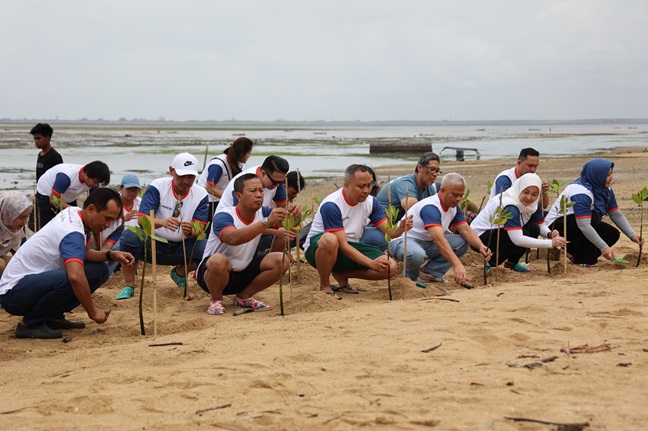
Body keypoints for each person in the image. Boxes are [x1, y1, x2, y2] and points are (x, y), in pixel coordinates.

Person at [0, 188, 135, 339]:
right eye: (107, 218)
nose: (107, 225)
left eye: (112, 220)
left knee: (99, 270)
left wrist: (110, 255)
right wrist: (93, 312)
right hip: (13, 294)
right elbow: (75, 276)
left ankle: (53, 317)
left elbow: (81, 253)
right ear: (90, 209)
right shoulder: (72, 232)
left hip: (31, 283)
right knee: (71, 276)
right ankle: (30, 324)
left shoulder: (75, 213)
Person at [304, 164, 412, 299]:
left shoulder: (371, 202)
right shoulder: (332, 204)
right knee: (330, 240)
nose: (366, 190)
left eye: (370, 185)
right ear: (346, 186)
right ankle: (325, 284)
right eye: (361, 186)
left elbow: (389, 233)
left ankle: (343, 274)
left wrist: (401, 228)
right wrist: (371, 263)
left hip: (351, 245)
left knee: (390, 267)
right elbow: (342, 245)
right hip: (319, 250)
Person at [116, 153, 209, 299]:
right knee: (129, 237)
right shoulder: (158, 186)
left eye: (190, 177)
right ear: (171, 171)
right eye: (181, 176)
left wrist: (191, 230)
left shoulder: (201, 194)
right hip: (154, 243)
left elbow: (200, 228)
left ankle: (180, 272)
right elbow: (142, 220)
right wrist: (162, 222)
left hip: (182, 248)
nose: (186, 181)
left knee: (208, 248)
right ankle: (129, 285)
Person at [197, 173, 290, 315]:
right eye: (253, 191)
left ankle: (243, 297)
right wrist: (267, 223)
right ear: (238, 196)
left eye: (261, 190)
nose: (259, 195)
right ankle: (216, 300)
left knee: (281, 260)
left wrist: (293, 213)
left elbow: (289, 223)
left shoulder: (264, 212)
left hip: (244, 272)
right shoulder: (224, 215)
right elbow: (233, 238)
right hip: (213, 275)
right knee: (218, 260)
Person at [389, 173, 491, 285]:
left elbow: (466, 230)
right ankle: (410, 280)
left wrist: (481, 246)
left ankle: (430, 273)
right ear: (442, 191)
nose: (458, 199)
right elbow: (438, 239)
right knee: (416, 254)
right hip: (403, 242)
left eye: (461, 195)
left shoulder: (454, 208)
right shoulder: (431, 207)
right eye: (455, 195)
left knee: (461, 242)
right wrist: (457, 264)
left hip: (426, 243)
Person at [545, 158, 643, 267]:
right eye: (607, 175)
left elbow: (615, 213)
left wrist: (632, 235)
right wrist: (604, 247)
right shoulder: (580, 191)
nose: (611, 178)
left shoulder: (605, 189)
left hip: (579, 224)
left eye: (611, 174)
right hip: (556, 227)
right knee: (589, 221)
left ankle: (574, 253)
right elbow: (584, 225)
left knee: (612, 234)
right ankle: (583, 260)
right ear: (597, 175)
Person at [471, 173, 566, 272]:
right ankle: (491, 264)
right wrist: (550, 243)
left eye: (534, 194)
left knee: (533, 228)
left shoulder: (533, 205)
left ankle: (512, 263)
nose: (529, 198)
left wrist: (550, 234)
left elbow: (540, 225)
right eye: (526, 192)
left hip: (499, 232)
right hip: (480, 239)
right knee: (523, 234)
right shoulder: (510, 206)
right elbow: (517, 239)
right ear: (519, 189)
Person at [217, 155, 300, 252]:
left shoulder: (276, 182)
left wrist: (294, 210)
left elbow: (285, 209)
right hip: (233, 231)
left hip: (258, 225)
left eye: (281, 183)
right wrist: (275, 231)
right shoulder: (243, 184)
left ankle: (275, 257)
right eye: (275, 182)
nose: (277, 185)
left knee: (291, 220)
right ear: (263, 174)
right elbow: (242, 225)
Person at [35, 161, 110, 229]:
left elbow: (95, 201)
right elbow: (53, 200)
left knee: (73, 223)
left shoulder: (93, 181)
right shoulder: (65, 177)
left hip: (69, 195)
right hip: (47, 194)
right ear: (87, 175)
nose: (96, 185)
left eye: (98, 183)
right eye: (95, 182)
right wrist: (74, 210)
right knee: (49, 226)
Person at [197, 137, 253, 219]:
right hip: (208, 200)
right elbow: (209, 187)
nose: (249, 156)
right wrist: (227, 198)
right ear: (241, 154)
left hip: (219, 198)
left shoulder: (236, 163)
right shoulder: (218, 165)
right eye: (248, 153)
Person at [377, 152, 441, 220]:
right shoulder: (406, 184)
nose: (435, 174)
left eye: (437, 171)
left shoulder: (430, 188)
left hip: (402, 225)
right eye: (432, 169)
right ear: (419, 167)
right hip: (383, 225)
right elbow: (414, 210)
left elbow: (437, 210)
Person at [0, 192, 32, 277]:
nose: (25, 222)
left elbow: (23, 251)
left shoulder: (18, 228)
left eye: (27, 216)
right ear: (7, 213)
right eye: (21, 217)